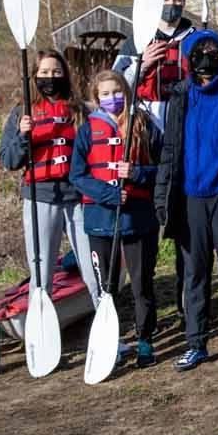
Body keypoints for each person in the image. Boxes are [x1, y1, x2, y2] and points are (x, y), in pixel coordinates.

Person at [156, 28, 218, 370]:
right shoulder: (181, 95)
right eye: (200, 52)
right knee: (195, 273)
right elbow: (170, 149)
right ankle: (195, 342)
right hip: (190, 198)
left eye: (214, 52)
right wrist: (162, 194)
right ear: (189, 58)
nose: (206, 58)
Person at [69, 68, 160, 368]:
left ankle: (145, 339)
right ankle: (114, 342)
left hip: (139, 218)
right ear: (96, 98)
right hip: (100, 219)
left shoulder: (143, 125)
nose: (113, 98)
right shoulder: (87, 130)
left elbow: (164, 169)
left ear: (127, 92)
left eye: (118, 92)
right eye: (105, 94)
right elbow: (77, 175)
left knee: (141, 285)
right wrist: (107, 194)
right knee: (106, 287)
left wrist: (136, 173)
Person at [0, 50, 91, 298]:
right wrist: (21, 135)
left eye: (57, 72)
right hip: (40, 197)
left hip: (77, 197)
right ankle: (39, 330)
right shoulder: (22, 113)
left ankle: (103, 324)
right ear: (35, 76)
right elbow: (9, 160)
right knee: (41, 271)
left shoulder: (80, 110)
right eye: (45, 72)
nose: (51, 77)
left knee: (92, 269)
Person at [123, 0, 192, 129]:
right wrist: (141, 65)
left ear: (184, 2)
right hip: (147, 119)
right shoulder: (137, 40)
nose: (171, 4)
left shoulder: (195, 39)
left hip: (185, 117)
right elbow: (116, 84)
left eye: (177, 0)